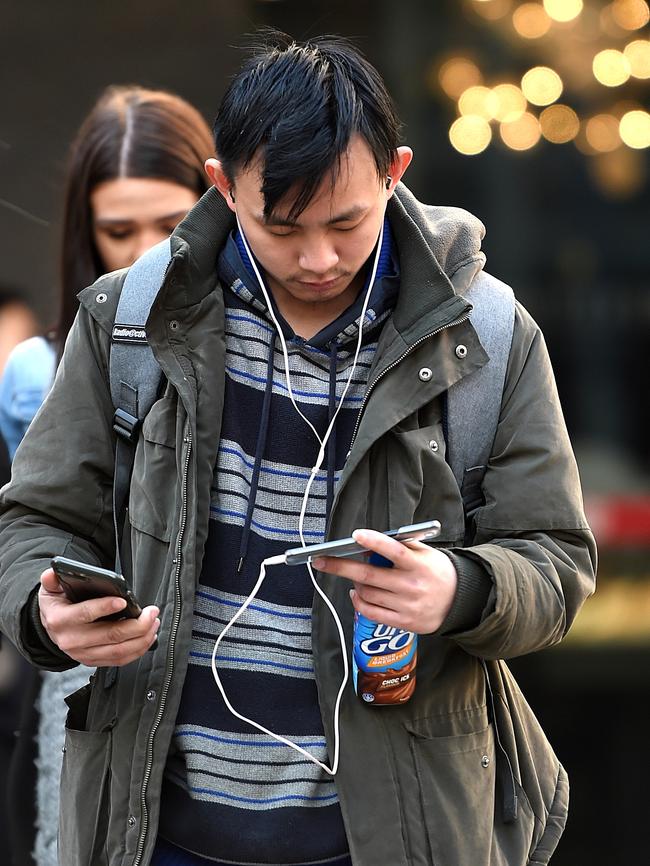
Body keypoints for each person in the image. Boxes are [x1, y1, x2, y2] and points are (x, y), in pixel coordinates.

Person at [0, 33, 596, 866]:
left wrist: (460, 588)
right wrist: (43, 608)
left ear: (396, 171)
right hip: (154, 832)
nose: (318, 258)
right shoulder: (127, 319)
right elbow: (33, 519)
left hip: (394, 835)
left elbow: (557, 562)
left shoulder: (488, 334)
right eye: (281, 228)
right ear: (222, 186)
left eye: (347, 221)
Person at [0, 84, 214, 866]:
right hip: (106, 677)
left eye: (171, 222)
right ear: (86, 235)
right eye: (119, 230)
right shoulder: (47, 372)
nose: (147, 250)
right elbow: (37, 529)